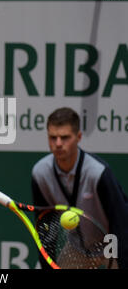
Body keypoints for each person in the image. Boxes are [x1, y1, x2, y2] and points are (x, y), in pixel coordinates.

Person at [31, 107, 128, 269]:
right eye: (53, 137)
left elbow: (121, 223)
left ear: (79, 137)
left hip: (114, 246)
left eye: (65, 137)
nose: (58, 144)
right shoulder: (40, 173)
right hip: (79, 248)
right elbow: (45, 227)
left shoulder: (98, 173)